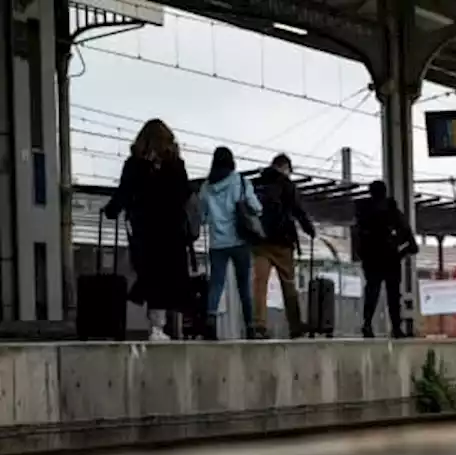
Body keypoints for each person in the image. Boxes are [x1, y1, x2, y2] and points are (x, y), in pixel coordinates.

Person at [102, 118, 194, 342]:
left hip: (144, 230)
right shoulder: (175, 164)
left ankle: (156, 326)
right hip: (171, 231)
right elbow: (184, 194)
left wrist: (111, 210)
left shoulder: (134, 164)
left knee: (150, 275)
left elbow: (124, 192)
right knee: (168, 278)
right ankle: (160, 327)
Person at [196, 146, 259, 339]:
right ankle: (250, 327)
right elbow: (256, 207)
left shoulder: (206, 187)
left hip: (217, 244)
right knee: (244, 286)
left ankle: (210, 321)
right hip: (240, 241)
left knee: (216, 284)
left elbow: (203, 217)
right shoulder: (240, 181)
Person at [251, 153, 315, 339]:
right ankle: (295, 326)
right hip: (282, 242)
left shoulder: (257, 183)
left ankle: (259, 325)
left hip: (260, 242)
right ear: (285, 167)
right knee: (288, 284)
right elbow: (298, 210)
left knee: (259, 284)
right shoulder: (287, 185)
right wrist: (309, 229)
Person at [354, 180, 412, 338]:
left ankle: (367, 324)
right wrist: (403, 250)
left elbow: (358, 236)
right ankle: (396, 328)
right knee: (393, 295)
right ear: (385, 192)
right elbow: (406, 233)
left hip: (371, 259)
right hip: (391, 259)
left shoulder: (363, 212)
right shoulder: (392, 211)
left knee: (372, 292)